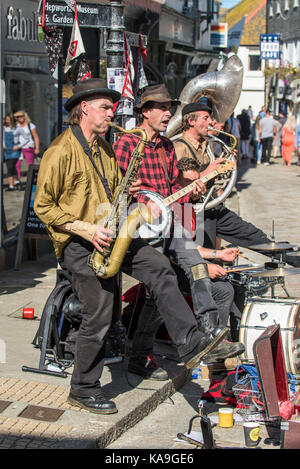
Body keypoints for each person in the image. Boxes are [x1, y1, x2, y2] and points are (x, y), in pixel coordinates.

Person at [33, 79, 235, 413]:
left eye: (111, 107)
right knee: (100, 311)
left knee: (158, 267)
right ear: (84, 108)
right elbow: (44, 207)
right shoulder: (59, 151)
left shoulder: (104, 148)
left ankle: (190, 342)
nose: (111, 113)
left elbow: (115, 188)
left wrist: (134, 193)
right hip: (78, 240)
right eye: (105, 107)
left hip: (111, 230)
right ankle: (83, 388)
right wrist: (87, 229)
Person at [113, 86, 244, 380]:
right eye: (161, 107)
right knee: (154, 295)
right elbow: (115, 190)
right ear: (145, 111)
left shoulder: (167, 146)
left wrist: (195, 193)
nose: (168, 113)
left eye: (169, 107)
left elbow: (174, 190)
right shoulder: (125, 143)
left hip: (170, 222)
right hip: (140, 227)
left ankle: (210, 331)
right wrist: (141, 203)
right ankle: (139, 356)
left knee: (196, 265)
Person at [14, 110, 40, 183]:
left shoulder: (30, 125)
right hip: (19, 148)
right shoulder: (16, 126)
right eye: (18, 117)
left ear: (25, 116)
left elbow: (36, 137)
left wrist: (37, 148)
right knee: (17, 165)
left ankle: (30, 181)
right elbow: (11, 117)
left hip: (28, 147)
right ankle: (17, 181)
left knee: (30, 165)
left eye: (21, 116)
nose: (20, 118)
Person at [3, 113, 21, 191]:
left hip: (14, 150)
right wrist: (3, 145)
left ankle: (12, 185)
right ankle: (15, 182)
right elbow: (2, 138)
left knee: (11, 166)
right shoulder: (3, 128)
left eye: (9, 120)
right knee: (10, 167)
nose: (8, 121)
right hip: (7, 150)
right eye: (6, 120)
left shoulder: (17, 128)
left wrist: (18, 145)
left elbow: (25, 138)